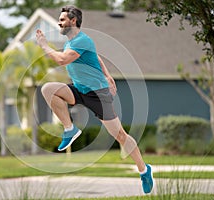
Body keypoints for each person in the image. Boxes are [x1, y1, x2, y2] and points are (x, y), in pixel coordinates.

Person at [36, 5, 153, 194]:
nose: (59, 22)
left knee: (120, 135)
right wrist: (107, 74)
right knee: (48, 89)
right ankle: (69, 129)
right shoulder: (72, 43)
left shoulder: (82, 40)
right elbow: (95, 57)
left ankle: (144, 170)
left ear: (73, 21)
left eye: (63, 19)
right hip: (80, 90)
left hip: (98, 95)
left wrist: (43, 45)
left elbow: (62, 60)